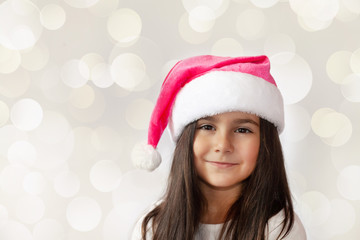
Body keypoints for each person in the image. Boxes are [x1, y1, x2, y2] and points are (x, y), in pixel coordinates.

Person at [131, 55, 307, 240]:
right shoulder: (153, 227)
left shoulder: (280, 229)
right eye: (207, 127)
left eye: (242, 130)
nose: (223, 145)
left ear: (266, 143)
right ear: (186, 139)